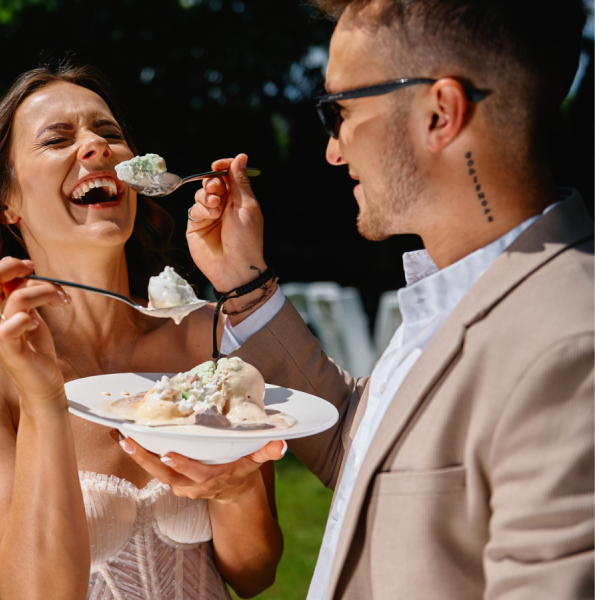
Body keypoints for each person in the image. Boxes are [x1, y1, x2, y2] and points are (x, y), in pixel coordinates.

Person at [131, 0, 594, 598]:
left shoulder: (568, 351)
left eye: (339, 111)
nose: (333, 150)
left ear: (440, 114)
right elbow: (366, 447)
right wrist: (245, 284)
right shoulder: (466, 290)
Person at [0, 63, 285, 600]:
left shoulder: (206, 335)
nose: (96, 146)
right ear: (7, 201)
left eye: (108, 132)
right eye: (57, 139)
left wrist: (236, 491)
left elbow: (254, 575)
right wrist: (43, 401)